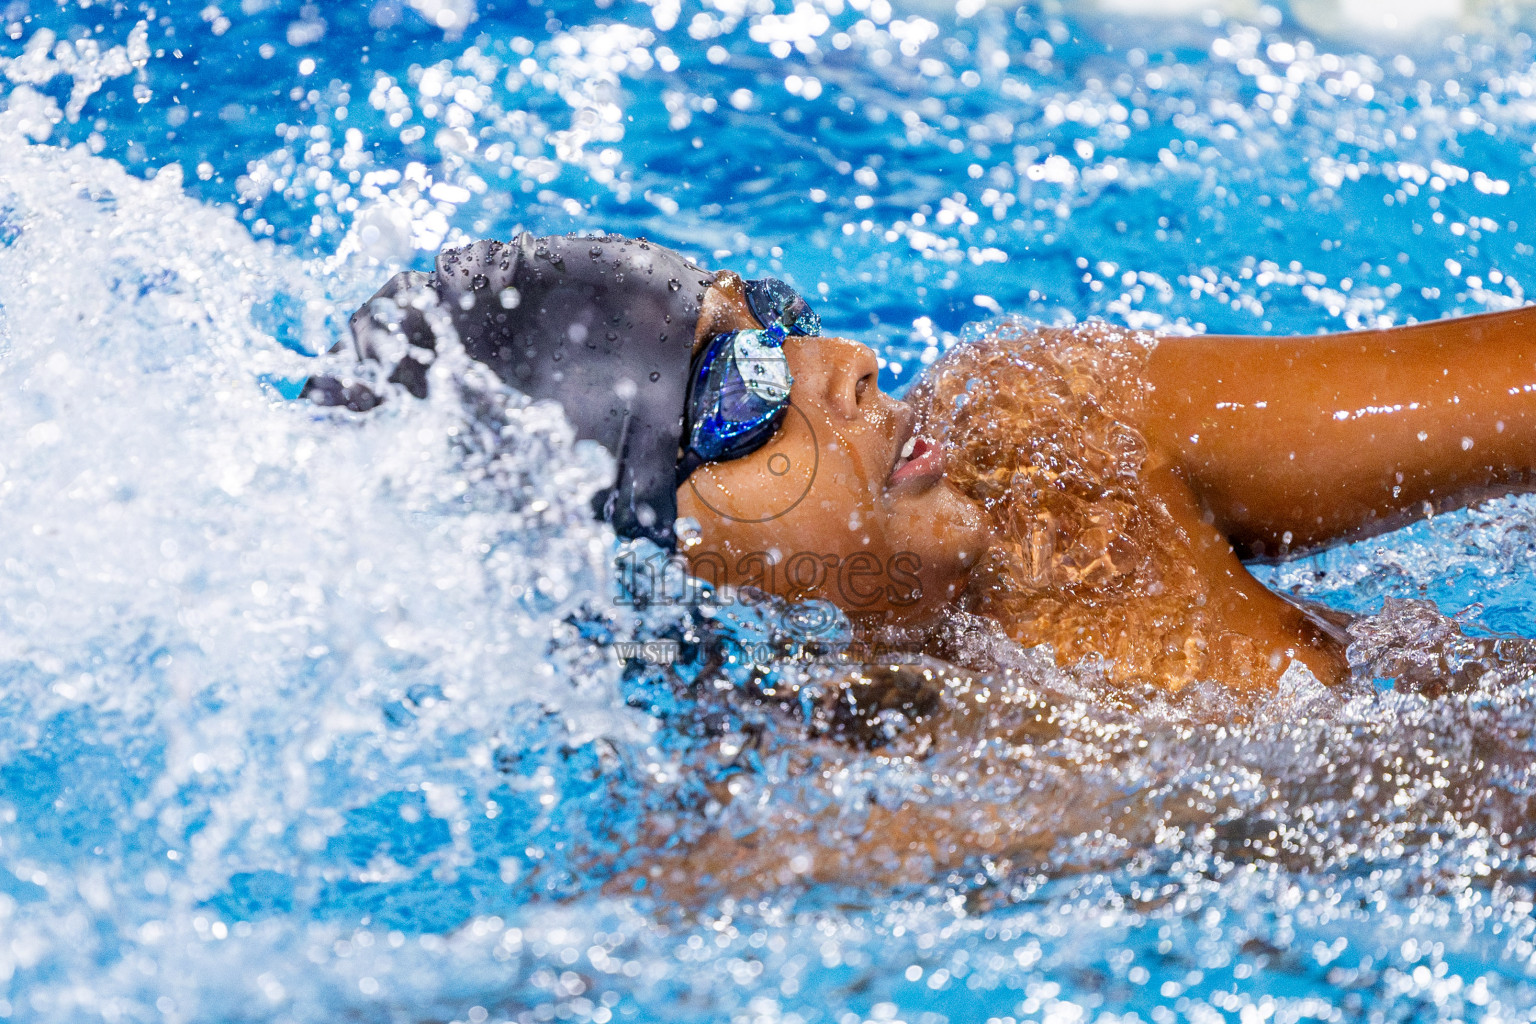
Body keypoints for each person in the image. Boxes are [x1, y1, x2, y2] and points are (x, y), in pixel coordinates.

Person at [305, 231, 1536, 695]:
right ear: (642, 551)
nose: (840, 361)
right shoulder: (783, 849)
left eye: (780, 317)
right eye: (740, 389)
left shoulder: (1060, 441)